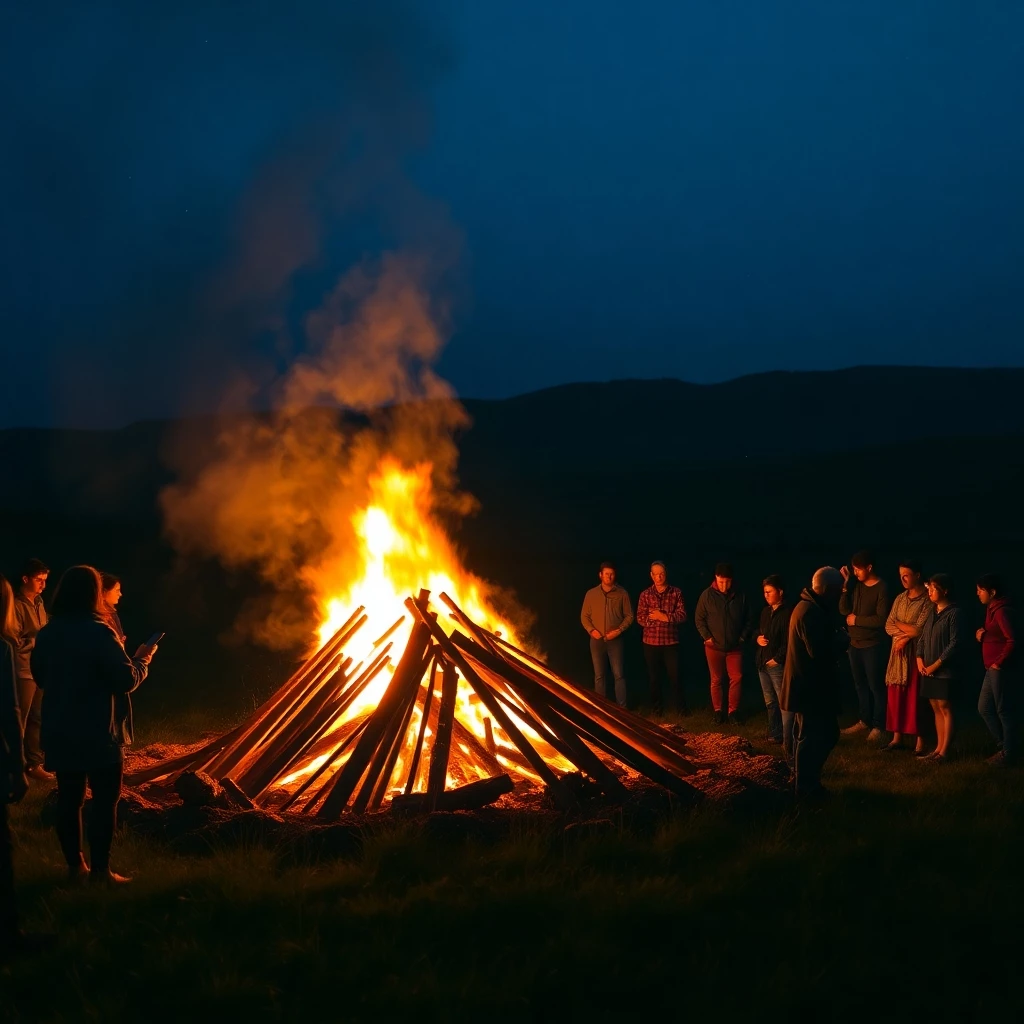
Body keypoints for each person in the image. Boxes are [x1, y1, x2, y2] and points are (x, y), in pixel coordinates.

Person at [31, 566, 157, 885]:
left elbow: (41, 677)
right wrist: (142, 661)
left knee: (69, 799)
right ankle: (101, 872)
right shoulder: (100, 632)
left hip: (61, 727)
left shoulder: (47, 633)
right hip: (99, 730)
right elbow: (125, 679)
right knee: (104, 802)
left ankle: (75, 868)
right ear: (94, 594)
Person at [779, 567, 849, 799]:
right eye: (839, 590)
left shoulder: (811, 607)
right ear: (828, 590)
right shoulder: (809, 612)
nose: (841, 594)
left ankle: (805, 782)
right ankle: (806, 787)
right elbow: (818, 652)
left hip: (808, 686)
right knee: (817, 734)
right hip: (808, 687)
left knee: (813, 734)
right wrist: (841, 641)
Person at [839, 551, 891, 743]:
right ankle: (864, 720)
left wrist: (856, 620)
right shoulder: (857, 587)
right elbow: (844, 610)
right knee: (860, 684)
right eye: (853, 569)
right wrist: (845, 587)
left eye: (857, 569)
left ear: (869, 567)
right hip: (855, 644)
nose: (855, 572)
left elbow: (881, 619)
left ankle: (879, 725)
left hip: (872, 645)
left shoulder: (881, 588)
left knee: (875, 686)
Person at [882, 561, 932, 754]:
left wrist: (901, 627)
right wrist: (904, 632)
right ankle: (897, 737)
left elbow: (920, 629)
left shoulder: (927, 600)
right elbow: (888, 625)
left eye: (907, 574)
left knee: (915, 696)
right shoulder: (900, 598)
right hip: (897, 654)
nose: (903, 578)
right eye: (901, 575)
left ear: (917, 575)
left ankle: (920, 741)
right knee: (896, 695)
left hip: (915, 654)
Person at [694, 563, 753, 724]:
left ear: (731, 580)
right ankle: (718, 711)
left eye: (727, 582)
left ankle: (733, 711)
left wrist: (742, 638)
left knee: (737, 677)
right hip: (713, 646)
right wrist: (707, 637)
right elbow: (699, 619)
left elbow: (748, 619)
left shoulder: (740, 595)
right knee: (716, 679)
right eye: (721, 582)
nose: (724, 585)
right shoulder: (707, 596)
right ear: (716, 579)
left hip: (735, 646)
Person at [916, 574, 962, 763]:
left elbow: (955, 643)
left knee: (944, 706)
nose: (930, 591)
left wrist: (937, 664)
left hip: (943, 670)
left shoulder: (954, 613)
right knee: (935, 706)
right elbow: (923, 637)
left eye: (934, 588)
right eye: (929, 588)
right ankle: (937, 749)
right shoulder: (931, 612)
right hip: (928, 668)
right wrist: (919, 658)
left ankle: (945, 752)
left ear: (945, 590)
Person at [13, 557, 52, 782]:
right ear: (25, 578)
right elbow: (13, 640)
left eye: (45, 581)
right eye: (39, 580)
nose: (43, 585)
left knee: (37, 717)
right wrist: (40, 641)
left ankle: (34, 764)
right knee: (20, 719)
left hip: (39, 669)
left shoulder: (39, 603)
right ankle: (15, 766)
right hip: (23, 671)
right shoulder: (15, 605)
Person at [975, 574, 1017, 768]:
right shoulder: (991, 610)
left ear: (992, 592)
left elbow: (1012, 639)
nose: (977, 594)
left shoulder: (1001, 611)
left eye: (980, 590)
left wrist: (999, 662)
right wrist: (981, 633)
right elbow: (993, 633)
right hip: (990, 668)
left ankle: (1009, 753)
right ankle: (1004, 747)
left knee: (1002, 710)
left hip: (998, 669)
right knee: (984, 707)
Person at [635, 561, 688, 714]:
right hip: (650, 642)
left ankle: (681, 709)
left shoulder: (676, 593)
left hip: (670, 642)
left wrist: (664, 617)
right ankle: (657, 710)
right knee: (654, 678)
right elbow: (640, 617)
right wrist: (652, 619)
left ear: (666, 574)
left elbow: (682, 614)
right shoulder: (645, 594)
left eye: (661, 574)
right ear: (651, 575)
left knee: (675, 676)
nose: (659, 577)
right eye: (656, 574)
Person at [580, 562, 633, 707]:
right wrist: (592, 630)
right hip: (596, 640)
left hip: (615, 640)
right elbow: (584, 616)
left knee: (619, 675)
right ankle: (601, 708)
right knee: (599, 676)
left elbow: (629, 616)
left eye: (612, 574)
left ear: (614, 575)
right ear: (600, 575)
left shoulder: (622, 593)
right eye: (606, 574)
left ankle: (622, 709)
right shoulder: (591, 594)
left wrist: (619, 630)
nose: (609, 576)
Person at [756, 575, 792, 754]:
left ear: (780, 592)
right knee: (770, 702)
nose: (766, 595)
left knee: (783, 700)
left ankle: (788, 737)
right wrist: (758, 638)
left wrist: (777, 659)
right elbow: (761, 630)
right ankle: (775, 733)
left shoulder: (787, 614)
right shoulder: (765, 612)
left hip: (776, 664)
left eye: (769, 592)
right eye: (765, 592)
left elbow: (788, 641)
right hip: (763, 663)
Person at [100, 573, 126, 644]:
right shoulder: (100, 618)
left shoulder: (112, 614)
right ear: (104, 592)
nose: (120, 594)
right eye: (117, 590)